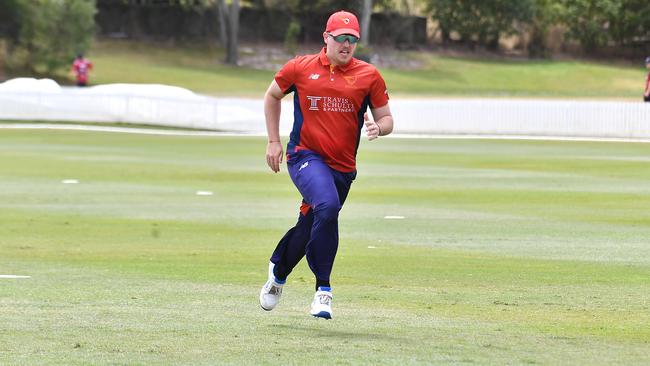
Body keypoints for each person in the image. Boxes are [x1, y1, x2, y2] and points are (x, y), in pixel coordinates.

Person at [259, 10, 394, 319]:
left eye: (352, 40)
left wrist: (379, 128)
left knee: (310, 225)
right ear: (326, 38)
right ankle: (323, 291)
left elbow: (387, 118)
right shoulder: (300, 67)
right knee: (328, 207)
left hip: (342, 168)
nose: (346, 45)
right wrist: (273, 141)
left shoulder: (369, 76)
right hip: (305, 157)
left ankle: (278, 271)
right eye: (340, 39)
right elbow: (272, 96)